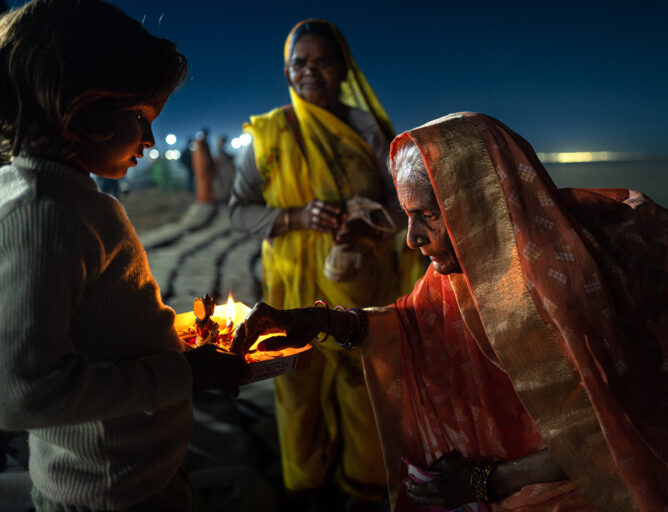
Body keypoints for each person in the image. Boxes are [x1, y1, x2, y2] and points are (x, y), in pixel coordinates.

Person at [232, 112, 668, 511]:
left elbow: (611, 430)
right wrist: (320, 320)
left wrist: (486, 481)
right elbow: (415, 327)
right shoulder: (470, 264)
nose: (413, 239)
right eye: (406, 216)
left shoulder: (570, 283)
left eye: (427, 218)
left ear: (479, 205)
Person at [0, 1, 247, 510]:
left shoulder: (72, 202)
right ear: (80, 108)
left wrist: (174, 335)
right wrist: (186, 376)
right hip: (105, 493)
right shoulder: (46, 212)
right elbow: (21, 391)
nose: (150, 139)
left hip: (130, 474)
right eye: (140, 117)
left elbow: (94, 328)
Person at [228, 18, 422, 511]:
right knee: (296, 384)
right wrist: (296, 216)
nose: (310, 71)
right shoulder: (268, 135)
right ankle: (304, 485)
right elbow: (239, 210)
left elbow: (403, 205)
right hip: (290, 283)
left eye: (322, 61)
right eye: (300, 63)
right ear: (287, 71)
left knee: (362, 383)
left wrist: (369, 225)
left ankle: (363, 486)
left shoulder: (367, 129)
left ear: (342, 69)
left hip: (359, 281)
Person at [191, 127, 217, 204]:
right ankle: (204, 198)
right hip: (203, 168)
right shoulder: (200, 143)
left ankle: (207, 197)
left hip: (205, 167)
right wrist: (206, 166)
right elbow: (201, 157)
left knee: (207, 183)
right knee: (203, 183)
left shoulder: (203, 143)